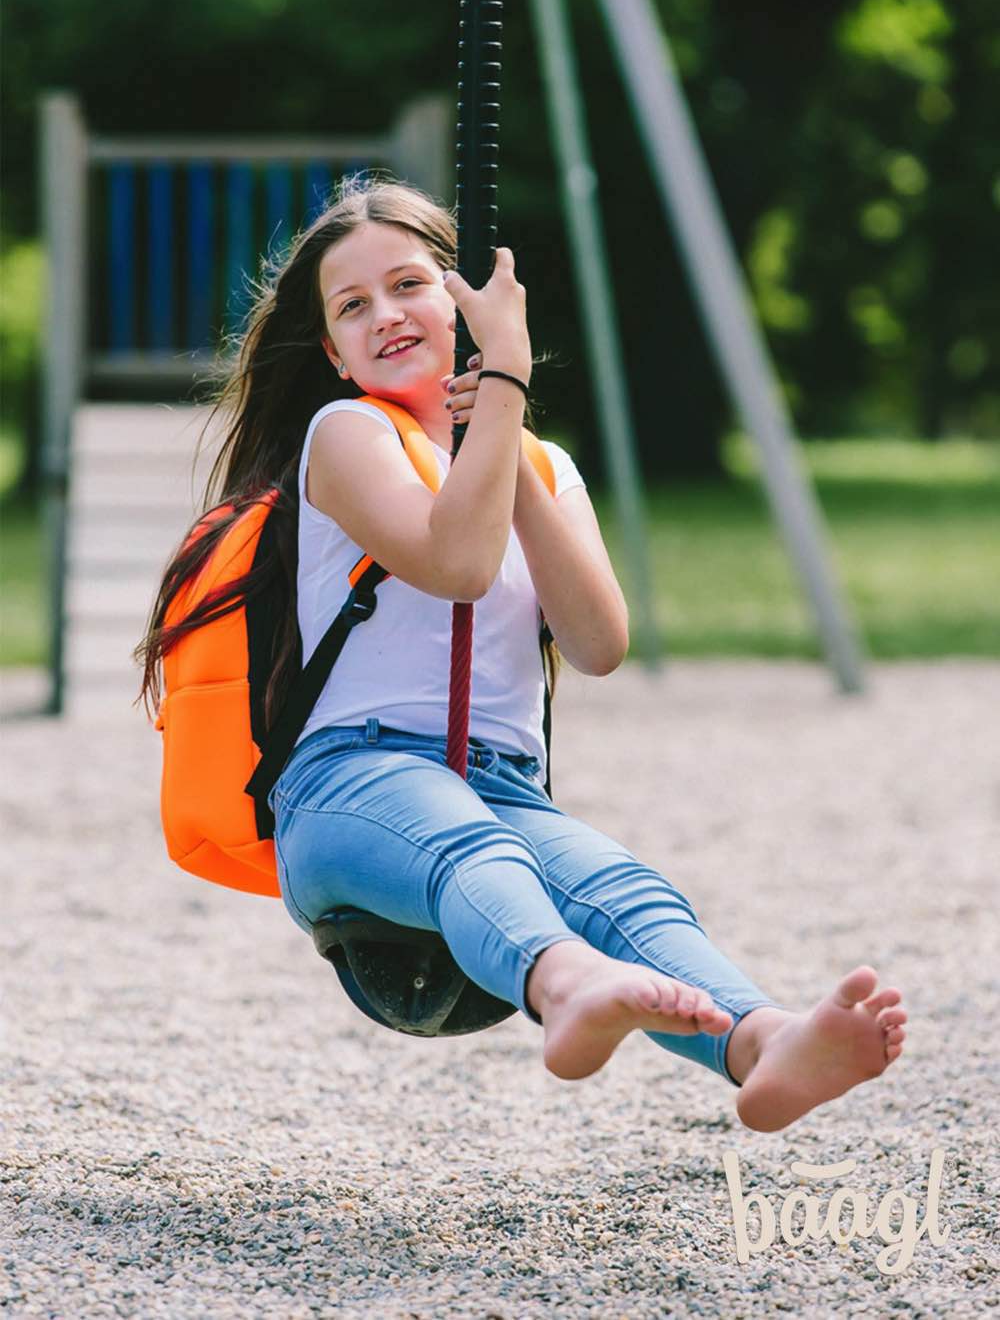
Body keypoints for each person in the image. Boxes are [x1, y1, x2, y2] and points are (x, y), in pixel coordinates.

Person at [138, 175, 906, 1134]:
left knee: (620, 886)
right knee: (478, 851)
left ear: (462, 300)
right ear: (333, 354)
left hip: (499, 784)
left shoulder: (543, 467)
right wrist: (500, 375)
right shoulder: (344, 436)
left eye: (410, 284)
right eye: (353, 305)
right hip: (348, 785)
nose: (386, 314)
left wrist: (505, 438)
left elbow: (597, 642)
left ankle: (763, 1041)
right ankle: (569, 981)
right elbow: (456, 564)